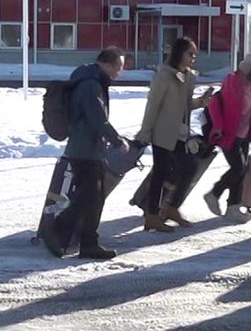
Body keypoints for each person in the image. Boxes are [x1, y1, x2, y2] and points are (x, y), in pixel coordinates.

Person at [42, 46, 129, 260]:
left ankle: (89, 242)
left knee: (93, 198)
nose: (120, 72)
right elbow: (97, 118)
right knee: (89, 197)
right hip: (85, 150)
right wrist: (116, 140)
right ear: (107, 64)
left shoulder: (90, 79)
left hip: (87, 148)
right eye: (119, 67)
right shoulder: (91, 84)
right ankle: (58, 229)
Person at [135, 37, 214, 232]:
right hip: (162, 132)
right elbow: (153, 105)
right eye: (190, 54)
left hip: (180, 133)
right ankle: (152, 215)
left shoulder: (188, 77)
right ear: (179, 53)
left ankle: (171, 207)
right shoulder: (164, 75)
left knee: (189, 166)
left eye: (195, 55)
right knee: (161, 172)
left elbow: (185, 104)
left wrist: (201, 102)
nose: (193, 58)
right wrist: (145, 132)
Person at [202, 52, 251, 223]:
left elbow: (250, 108)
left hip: (243, 135)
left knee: (241, 171)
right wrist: (219, 128)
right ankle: (214, 194)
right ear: (248, 69)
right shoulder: (233, 83)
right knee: (239, 169)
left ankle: (233, 207)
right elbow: (215, 103)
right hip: (229, 135)